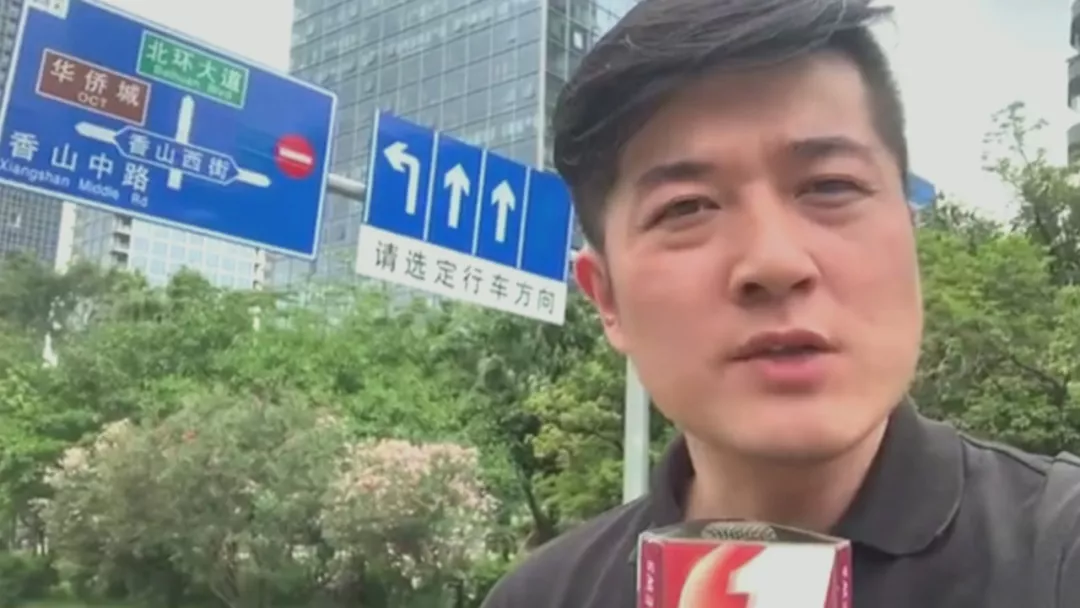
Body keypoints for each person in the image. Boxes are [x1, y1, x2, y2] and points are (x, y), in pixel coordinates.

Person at [480, 0, 1080, 606]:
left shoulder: (1059, 555)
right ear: (606, 298)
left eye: (831, 185)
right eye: (687, 207)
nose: (775, 262)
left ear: (910, 231)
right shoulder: (542, 597)